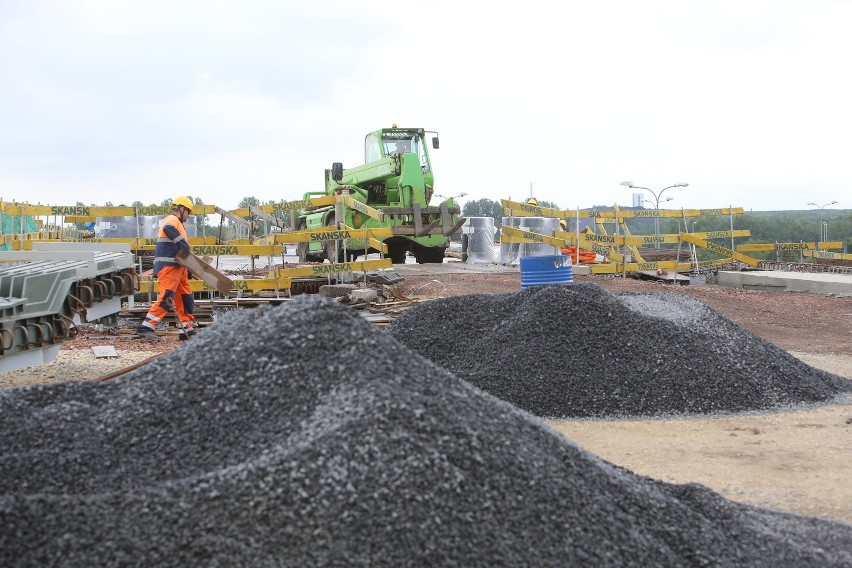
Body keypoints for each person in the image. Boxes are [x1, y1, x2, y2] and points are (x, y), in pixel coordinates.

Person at [136, 196, 197, 341]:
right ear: (181, 209)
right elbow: (167, 228)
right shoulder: (172, 220)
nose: (188, 216)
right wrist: (182, 243)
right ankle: (146, 327)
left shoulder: (179, 224)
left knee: (185, 297)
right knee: (166, 297)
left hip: (178, 267)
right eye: (188, 212)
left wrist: (187, 268)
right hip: (169, 266)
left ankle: (187, 329)